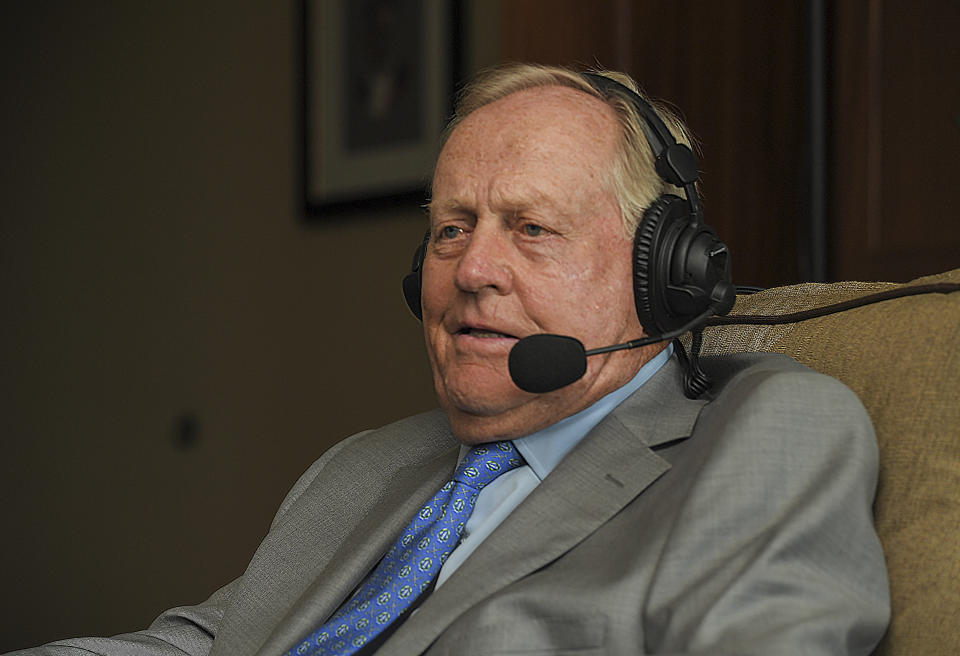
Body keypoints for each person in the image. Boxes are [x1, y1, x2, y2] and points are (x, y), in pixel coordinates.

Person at [11, 64, 890, 656]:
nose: (470, 271)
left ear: (663, 272)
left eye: (531, 229)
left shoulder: (767, 432)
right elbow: (203, 644)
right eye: (451, 229)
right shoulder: (368, 463)